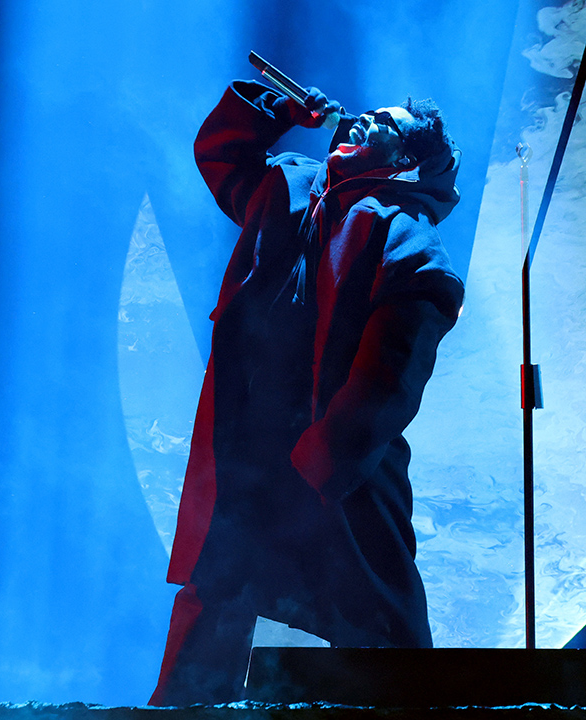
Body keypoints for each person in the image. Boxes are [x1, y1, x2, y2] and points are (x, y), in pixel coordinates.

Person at [149, 79, 464, 706]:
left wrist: (325, 458)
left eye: (383, 125)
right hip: (251, 450)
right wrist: (281, 112)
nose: (361, 122)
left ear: (405, 162)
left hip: (333, 462)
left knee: (376, 612)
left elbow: (391, 376)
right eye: (362, 116)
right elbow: (222, 154)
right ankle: (178, 713)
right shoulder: (288, 189)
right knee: (217, 596)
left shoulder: (410, 244)